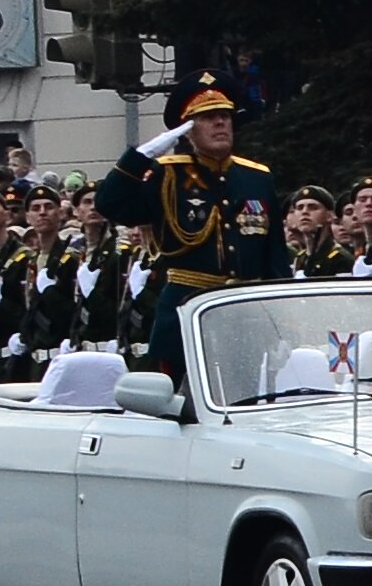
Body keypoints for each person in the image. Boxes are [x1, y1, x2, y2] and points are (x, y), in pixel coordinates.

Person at [88, 80, 290, 374]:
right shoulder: (169, 174)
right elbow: (112, 204)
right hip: (187, 312)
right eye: (208, 117)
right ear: (188, 129)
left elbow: (275, 256)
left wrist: (281, 322)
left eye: (225, 115)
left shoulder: (256, 178)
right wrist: (138, 158)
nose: (220, 122)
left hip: (247, 315)